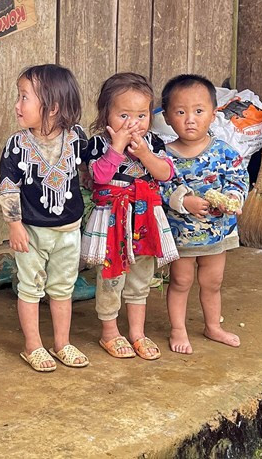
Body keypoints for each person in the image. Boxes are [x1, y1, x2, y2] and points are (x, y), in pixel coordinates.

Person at [0, 64, 89, 372]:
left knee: (63, 288)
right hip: (32, 232)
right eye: (18, 96)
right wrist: (14, 224)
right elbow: (8, 186)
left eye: (24, 97)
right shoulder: (17, 145)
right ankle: (33, 345)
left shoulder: (77, 138)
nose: (17, 105)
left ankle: (62, 343)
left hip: (69, 230)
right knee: (30, 288)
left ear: (53, 106)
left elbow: (92, 173)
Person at [80, 73, 174, 361]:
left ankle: (137, 332)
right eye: (123, 115)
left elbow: (166, 174)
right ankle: (109, 331)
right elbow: (98, 177)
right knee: (111, 277)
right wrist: (117, 148)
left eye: (141, 115)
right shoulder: (98, 145)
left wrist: (145, 154)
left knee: (140, 279)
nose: (133, 123)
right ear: (106, 112)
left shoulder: (154, 143)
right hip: (112, 220)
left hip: (144, 220)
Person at [160, 74, 248, 354]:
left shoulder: (224, 153)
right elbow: (159, 188)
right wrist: (184, 202)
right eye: (181, 112)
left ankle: (213, 326)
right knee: (181, 281)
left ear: (213, 114)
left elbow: (238, 179)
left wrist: (232, 198)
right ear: (167, 117)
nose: (190, 119)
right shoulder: (164, 156)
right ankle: (178, 329)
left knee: (213, 282)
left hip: (217, 232)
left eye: (199, 111)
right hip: (181, 236)